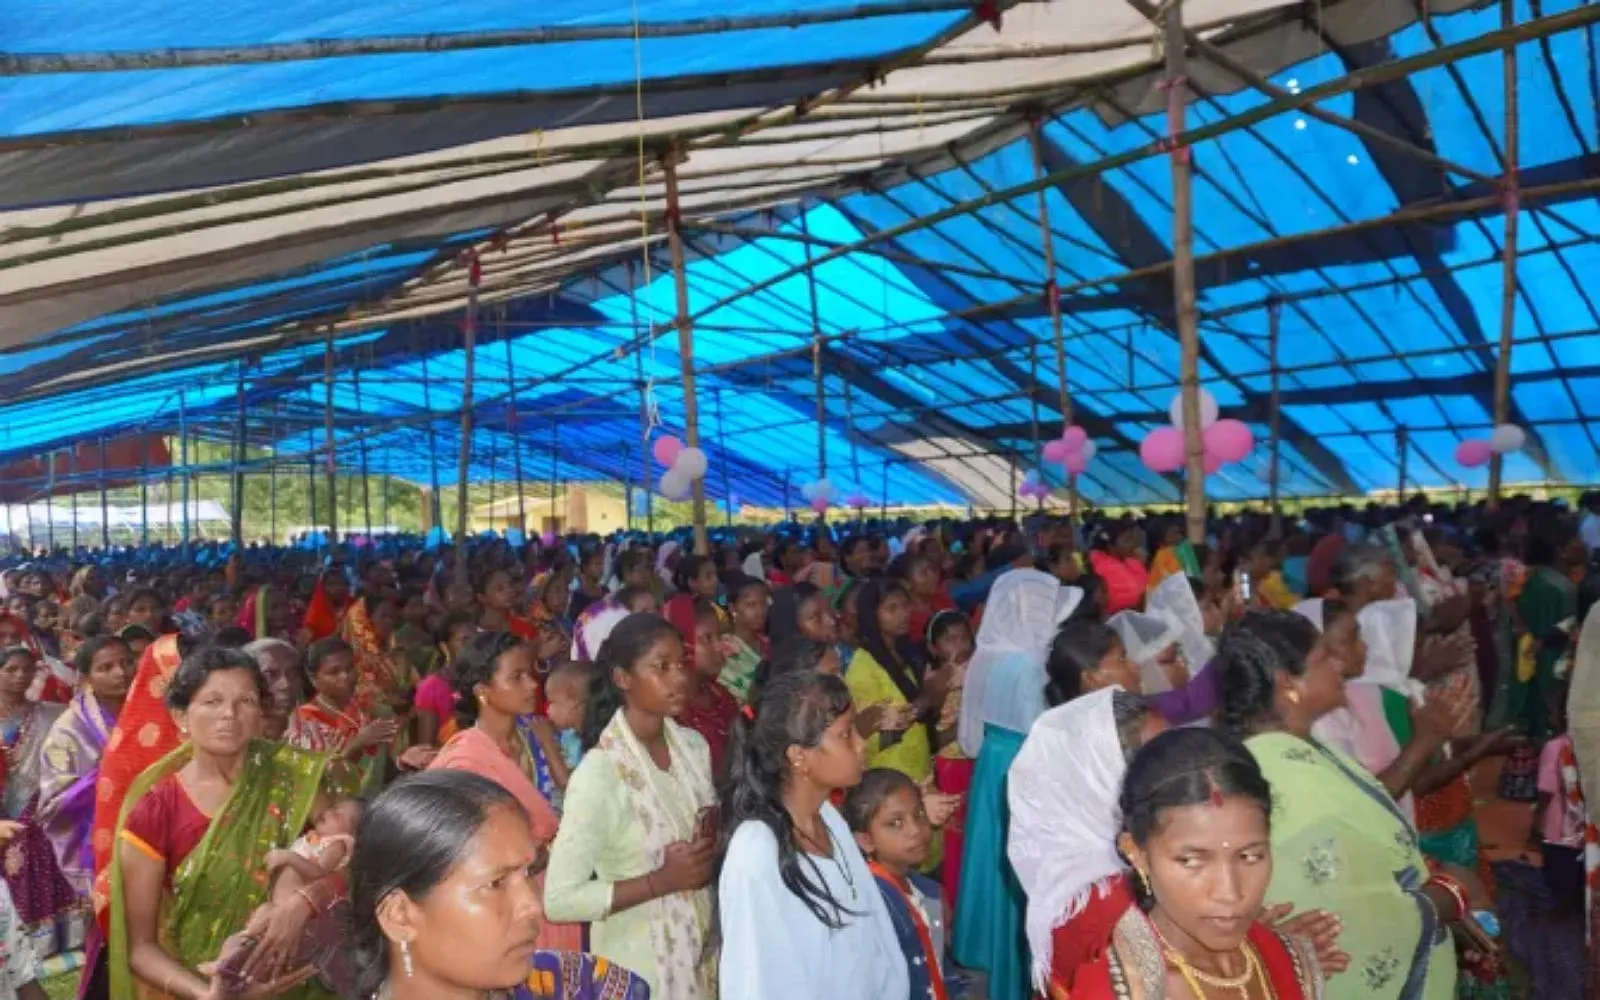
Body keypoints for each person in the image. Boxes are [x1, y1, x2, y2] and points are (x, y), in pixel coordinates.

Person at [1219, 611, 1477, 1000]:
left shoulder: (1291, 753)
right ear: (1288, 683)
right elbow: (1348, 916)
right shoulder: (1286, 777)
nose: (1339, 663)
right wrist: (1447, 895)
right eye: (1324, 656)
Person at [109, 645, 334, 1000]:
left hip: (300, 980)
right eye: (212, 702)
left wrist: (304, 900)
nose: (230, 714)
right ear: (181, 715)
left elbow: (351, 860)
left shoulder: (295, 777)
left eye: (245, 701)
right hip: (206, 981)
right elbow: (141, 948)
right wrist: (212, 994)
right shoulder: (155, 812)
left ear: (261, 711)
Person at [1071, 727, 1329, 1000]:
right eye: (1192, 861)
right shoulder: (1115, 991)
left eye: (1250, 857)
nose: (1230, 893)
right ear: (1136, 853)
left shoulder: (1289, 960)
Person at [346, 770, 649, 1000]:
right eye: (496, 883)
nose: (532, 905)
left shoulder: (580, 986)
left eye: (529, 872)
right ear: (399, 915)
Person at [544, 613, 717, 998]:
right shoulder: (601, 773)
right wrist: (660, 881)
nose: (679, 678)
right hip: (641, 968)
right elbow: (559, 899)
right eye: (661, 667)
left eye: (681, 664)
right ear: (623, 679)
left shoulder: (692, 747)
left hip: (702, 956)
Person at [716, 669, 907, 1000]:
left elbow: (872, 934)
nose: (862, 745)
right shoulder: (757, 852)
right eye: (846, 735)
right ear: (798, 756)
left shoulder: (829, 819)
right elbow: (756, 981)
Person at [952, 569, 1082, 1000]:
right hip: (1023, 765)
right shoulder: (1030, 666)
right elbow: (1041, 731)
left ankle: (995, 961)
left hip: (992, 762)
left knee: (995, 863)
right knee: (1019, 869)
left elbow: (969, 740)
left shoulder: (986, 658)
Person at [428, 632, 578, 951]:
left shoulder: (539, 736)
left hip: (557, 895)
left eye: (531, 673)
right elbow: (462, 854)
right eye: (517, 677)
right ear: (483, 691)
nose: (533, 685)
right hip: (505, 908)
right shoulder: (466, 759)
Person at [205, 798, 365, 1000]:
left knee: (259, 952)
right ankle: (222, 973)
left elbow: (317, 873)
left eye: (338, 815)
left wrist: (289, 858)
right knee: (243, 938)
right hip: (277, 907)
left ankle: (226, 980)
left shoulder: (338, 845)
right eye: (333, 807)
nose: (329, 812)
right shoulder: (314, 838)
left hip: (292, 914)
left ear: (352, 833)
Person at [36, 635, 135, 900]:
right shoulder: (68, 730)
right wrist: (107, 775)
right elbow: (52, 803)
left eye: (127, 662)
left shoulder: (151, 714)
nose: (121, 672)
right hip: (98, 837)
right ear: (86, 678)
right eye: (106, 668)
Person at [843, 769, 949, 1000]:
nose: (915, 830)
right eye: (895, 823)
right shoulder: (872, 904)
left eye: (919, 813)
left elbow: (938, 964)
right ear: (866, 840)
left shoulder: (923, 889)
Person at [0, 645, 76, 964]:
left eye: (27, 670)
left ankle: (54, 941)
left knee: (44, 867)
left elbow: (66, 761)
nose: (20, 676)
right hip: (4, 808)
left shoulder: (51, 714)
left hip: (42, 805)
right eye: (11, 670)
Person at [846, 580, 950, 785]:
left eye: (905, 605)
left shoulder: (905, 653)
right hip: (889, 776)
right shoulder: (863, 666)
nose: (903, 614)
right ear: (872, 614)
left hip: (918, 769)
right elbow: (873, 740)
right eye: (892, 608)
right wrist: (923, 702)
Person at [286, 638, 398, 797]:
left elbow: (385, 768)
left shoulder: (373, 711)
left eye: (350, 668)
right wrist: (357, 744)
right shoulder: (304, 722)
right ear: (313, 679)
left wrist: (403, 760)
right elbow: (312, 781)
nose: (345, 676)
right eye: (334, 672)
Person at [667, 596, 738, 776]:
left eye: (720, 637)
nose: (719, 647)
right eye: (707, 638)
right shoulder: (670, 713)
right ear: (682, 645)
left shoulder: (722, 697)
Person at [719, 575, 769, 705]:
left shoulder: (768, 643)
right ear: (733, 608)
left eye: (763, 603)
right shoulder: (724, 649)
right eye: (751, 605)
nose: (760, 611)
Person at [241, 639, 302, 741]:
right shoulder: (229, 738)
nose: (286, 684)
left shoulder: (318, 737)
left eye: (292, 673)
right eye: (270, 675)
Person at [1087, 526, 1147, 616]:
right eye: (1127, 540)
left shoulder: (1131, 561)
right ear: (1111, 546)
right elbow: (1122, 600)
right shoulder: (1101, 567)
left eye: (1132, 538)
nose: (1133, 544)